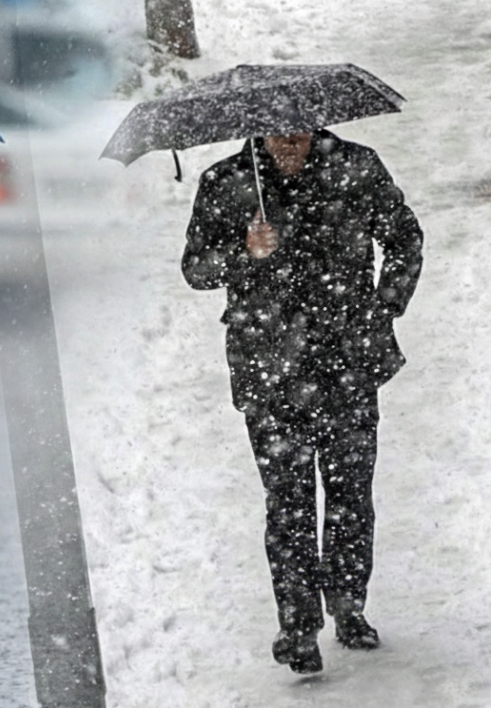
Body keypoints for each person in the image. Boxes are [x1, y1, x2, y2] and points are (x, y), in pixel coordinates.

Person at [181, 129, 423, 674]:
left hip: (348, 363)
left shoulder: (356, 167)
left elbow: (404, 236)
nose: (288, 144)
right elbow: (195, 268)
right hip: (268, 369)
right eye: (277, 135)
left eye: (298, 133)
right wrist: (243, 250)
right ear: (258, 132)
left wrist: (384, 307)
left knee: (349, 493)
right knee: (286, 502)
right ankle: (297, 626)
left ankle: (348, 605)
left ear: (315, 127)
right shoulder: (226, 182)